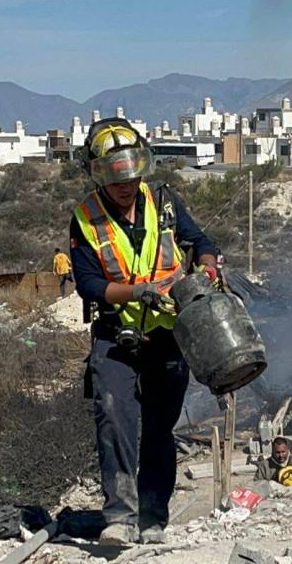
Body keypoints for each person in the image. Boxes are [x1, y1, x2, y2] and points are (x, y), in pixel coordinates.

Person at [70, 117, 221, 546]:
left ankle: (154, 517)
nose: (125, 184)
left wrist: (208, 266)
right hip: (116, 334)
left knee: (160, 425)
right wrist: (137, 291)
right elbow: (90, 283)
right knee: (114, 416)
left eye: (132, 173)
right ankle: (119, 516)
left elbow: (201, 241)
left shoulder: (165, 202)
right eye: (115, 176)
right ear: (98, 174)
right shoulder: (85, 218)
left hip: (168, 333)